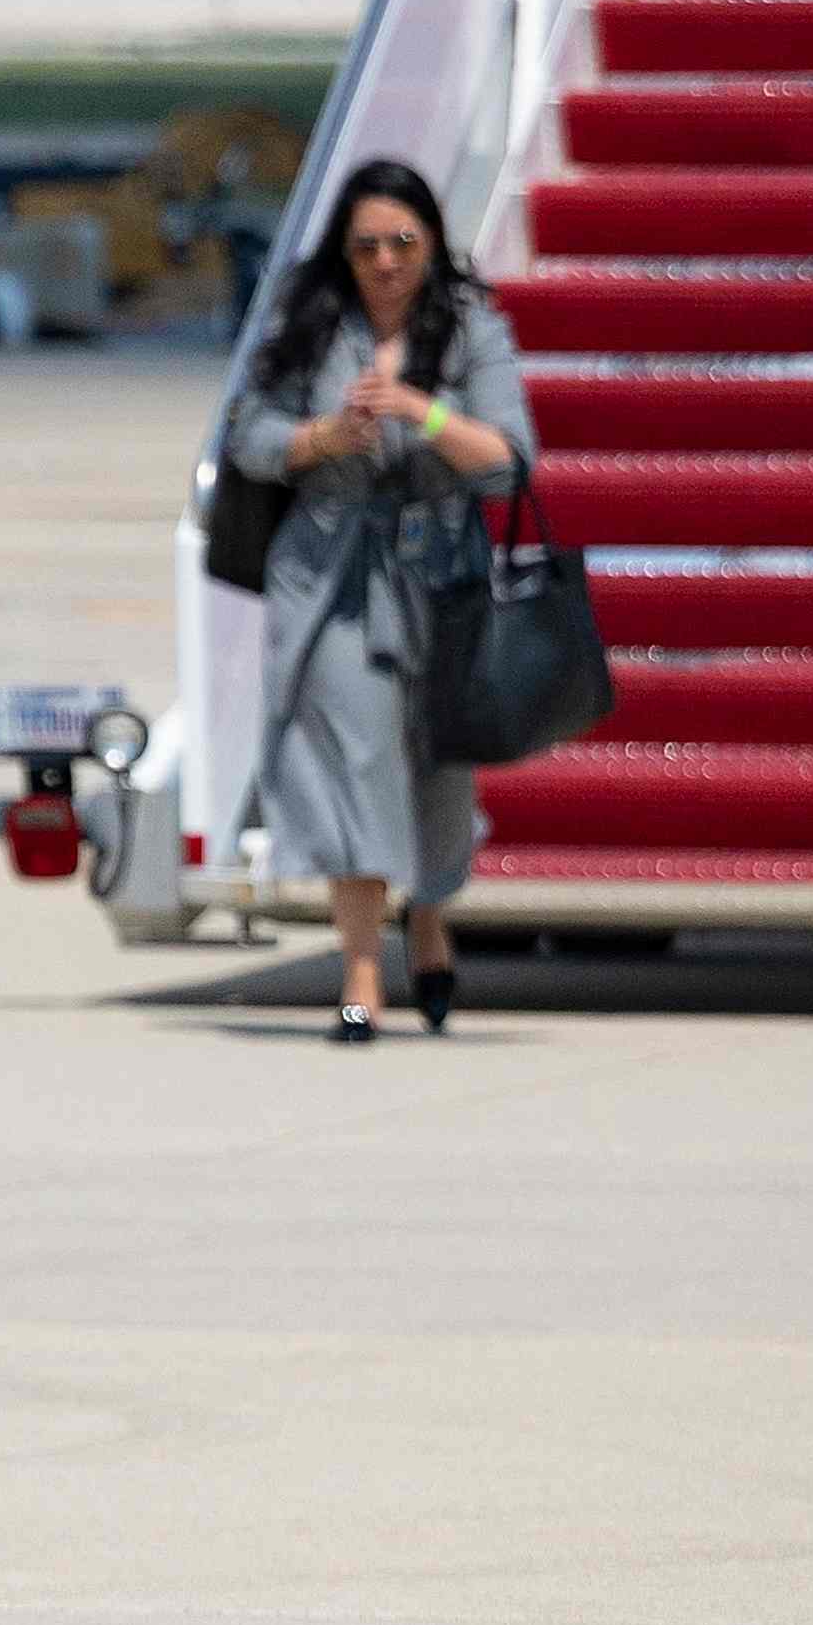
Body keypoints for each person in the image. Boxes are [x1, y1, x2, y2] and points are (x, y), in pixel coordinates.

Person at [219, 160, 531, 1045]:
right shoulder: (312, 326)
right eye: (367, 247)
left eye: (403, 243)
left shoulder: (471, 330)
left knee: (435, 771)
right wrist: (323, 436)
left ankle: (426, 915)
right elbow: (248, 434)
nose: (386, 263)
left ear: (432, 243)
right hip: (328, 575)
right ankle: (360, 973)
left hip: (439, 576)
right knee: (347, 760)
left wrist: (419, 412)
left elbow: (510, 459)